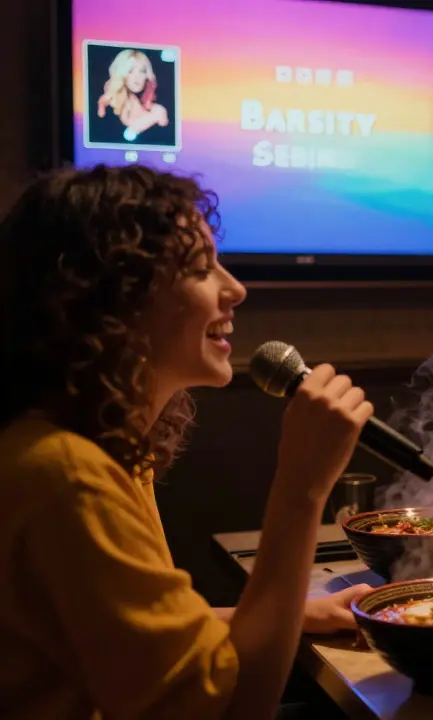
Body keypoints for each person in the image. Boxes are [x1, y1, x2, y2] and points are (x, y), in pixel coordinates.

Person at [0, 164, 374, 717]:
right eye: (201, 267)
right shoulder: (65, 475)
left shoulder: (111, 451)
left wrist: (302, 612)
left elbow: (123, 637)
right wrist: (302, 487)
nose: (236, 288)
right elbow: (235, 708)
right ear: (112, 297)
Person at [96, 48, 170, 140]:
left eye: (142, 71)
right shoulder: (112, 101)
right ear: (121, 73)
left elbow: (163, 124)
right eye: (130, 71)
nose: (137, 77)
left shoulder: (150, 104)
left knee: (159, 111)